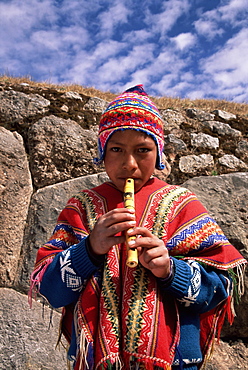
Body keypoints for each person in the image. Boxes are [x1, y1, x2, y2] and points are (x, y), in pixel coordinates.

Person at [30, 85, 247, 370]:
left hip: (174, 363)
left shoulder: (183, 204)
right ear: (102, 153)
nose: (129, 164)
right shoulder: (81, 207)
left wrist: (170, 270)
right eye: (116, 149)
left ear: (158, 154)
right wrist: (89, 250)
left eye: (142, 150)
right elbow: (50, 290)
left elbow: (219, 289)